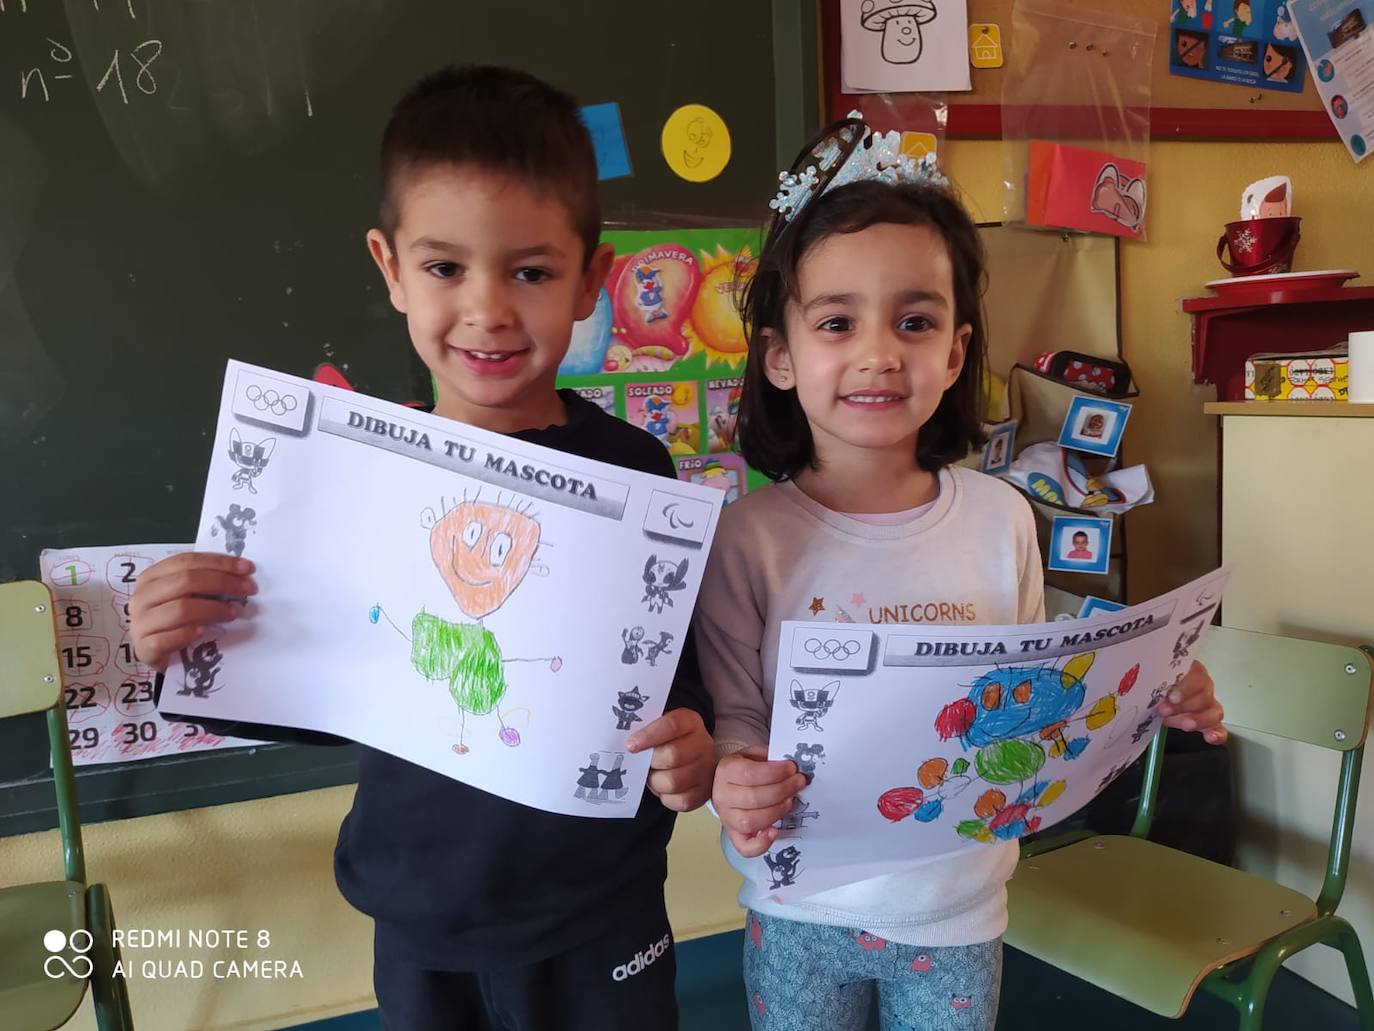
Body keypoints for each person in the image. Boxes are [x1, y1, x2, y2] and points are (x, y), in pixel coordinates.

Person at [129, 65, 716, 1031]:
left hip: (597, 912)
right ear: (391, 267)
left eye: (530, 271)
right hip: (417, 913)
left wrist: (688, 739)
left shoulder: (633, 470)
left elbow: (670, 678)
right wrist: (188, 640)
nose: (487, 309)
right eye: (445, 267)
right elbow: (319, 684)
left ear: (591, 282)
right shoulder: (353, 479)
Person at [694, 115, 1227, 1031]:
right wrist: (730, 775)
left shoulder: (999, 516)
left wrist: (1155, 686)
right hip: (799, 906)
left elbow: (1038, 684)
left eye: (914, 320)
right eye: (835, 321)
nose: (878, 352)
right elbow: (740, 717)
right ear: (780, 355)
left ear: (954, 349)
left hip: (958, 908)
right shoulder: (750, 538)